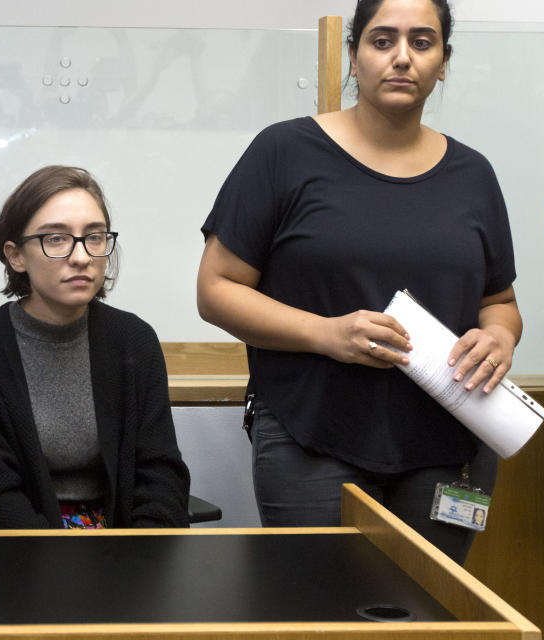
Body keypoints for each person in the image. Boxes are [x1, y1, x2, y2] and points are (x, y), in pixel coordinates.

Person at [196, 0, 520, 564]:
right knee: (317, 613)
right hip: (312, 439)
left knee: (428, 616)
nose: (402, 57)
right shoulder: (285, 152)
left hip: (448, 449)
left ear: (443, 62)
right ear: (353, 57)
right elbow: (216, 289)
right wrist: (327, 334)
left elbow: (501, 302)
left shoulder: (474, 175)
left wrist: (501, 337)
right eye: (381, 40)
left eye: (422, 42)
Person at [0, 165, 190, 529]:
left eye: (94, 237)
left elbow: (161, 477)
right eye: (55, 239)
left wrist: (140, 557)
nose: (81, 256)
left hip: (125, 554)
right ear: (16, 256)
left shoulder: (134, 341)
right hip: (21, 556)